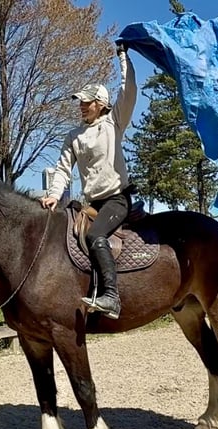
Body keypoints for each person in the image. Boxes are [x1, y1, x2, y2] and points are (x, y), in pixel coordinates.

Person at [40, 43, 136, 320]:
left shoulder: (114, 122)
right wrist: (53, 194)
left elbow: (128, 91)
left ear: (101, 104)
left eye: (87, 101)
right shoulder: (73, 136)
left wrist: (123, 58)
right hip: (92, 203)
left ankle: (112, 297)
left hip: (116, 199)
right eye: (80, 102)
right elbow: (62, 169)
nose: (82, 106)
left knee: (95, 236)